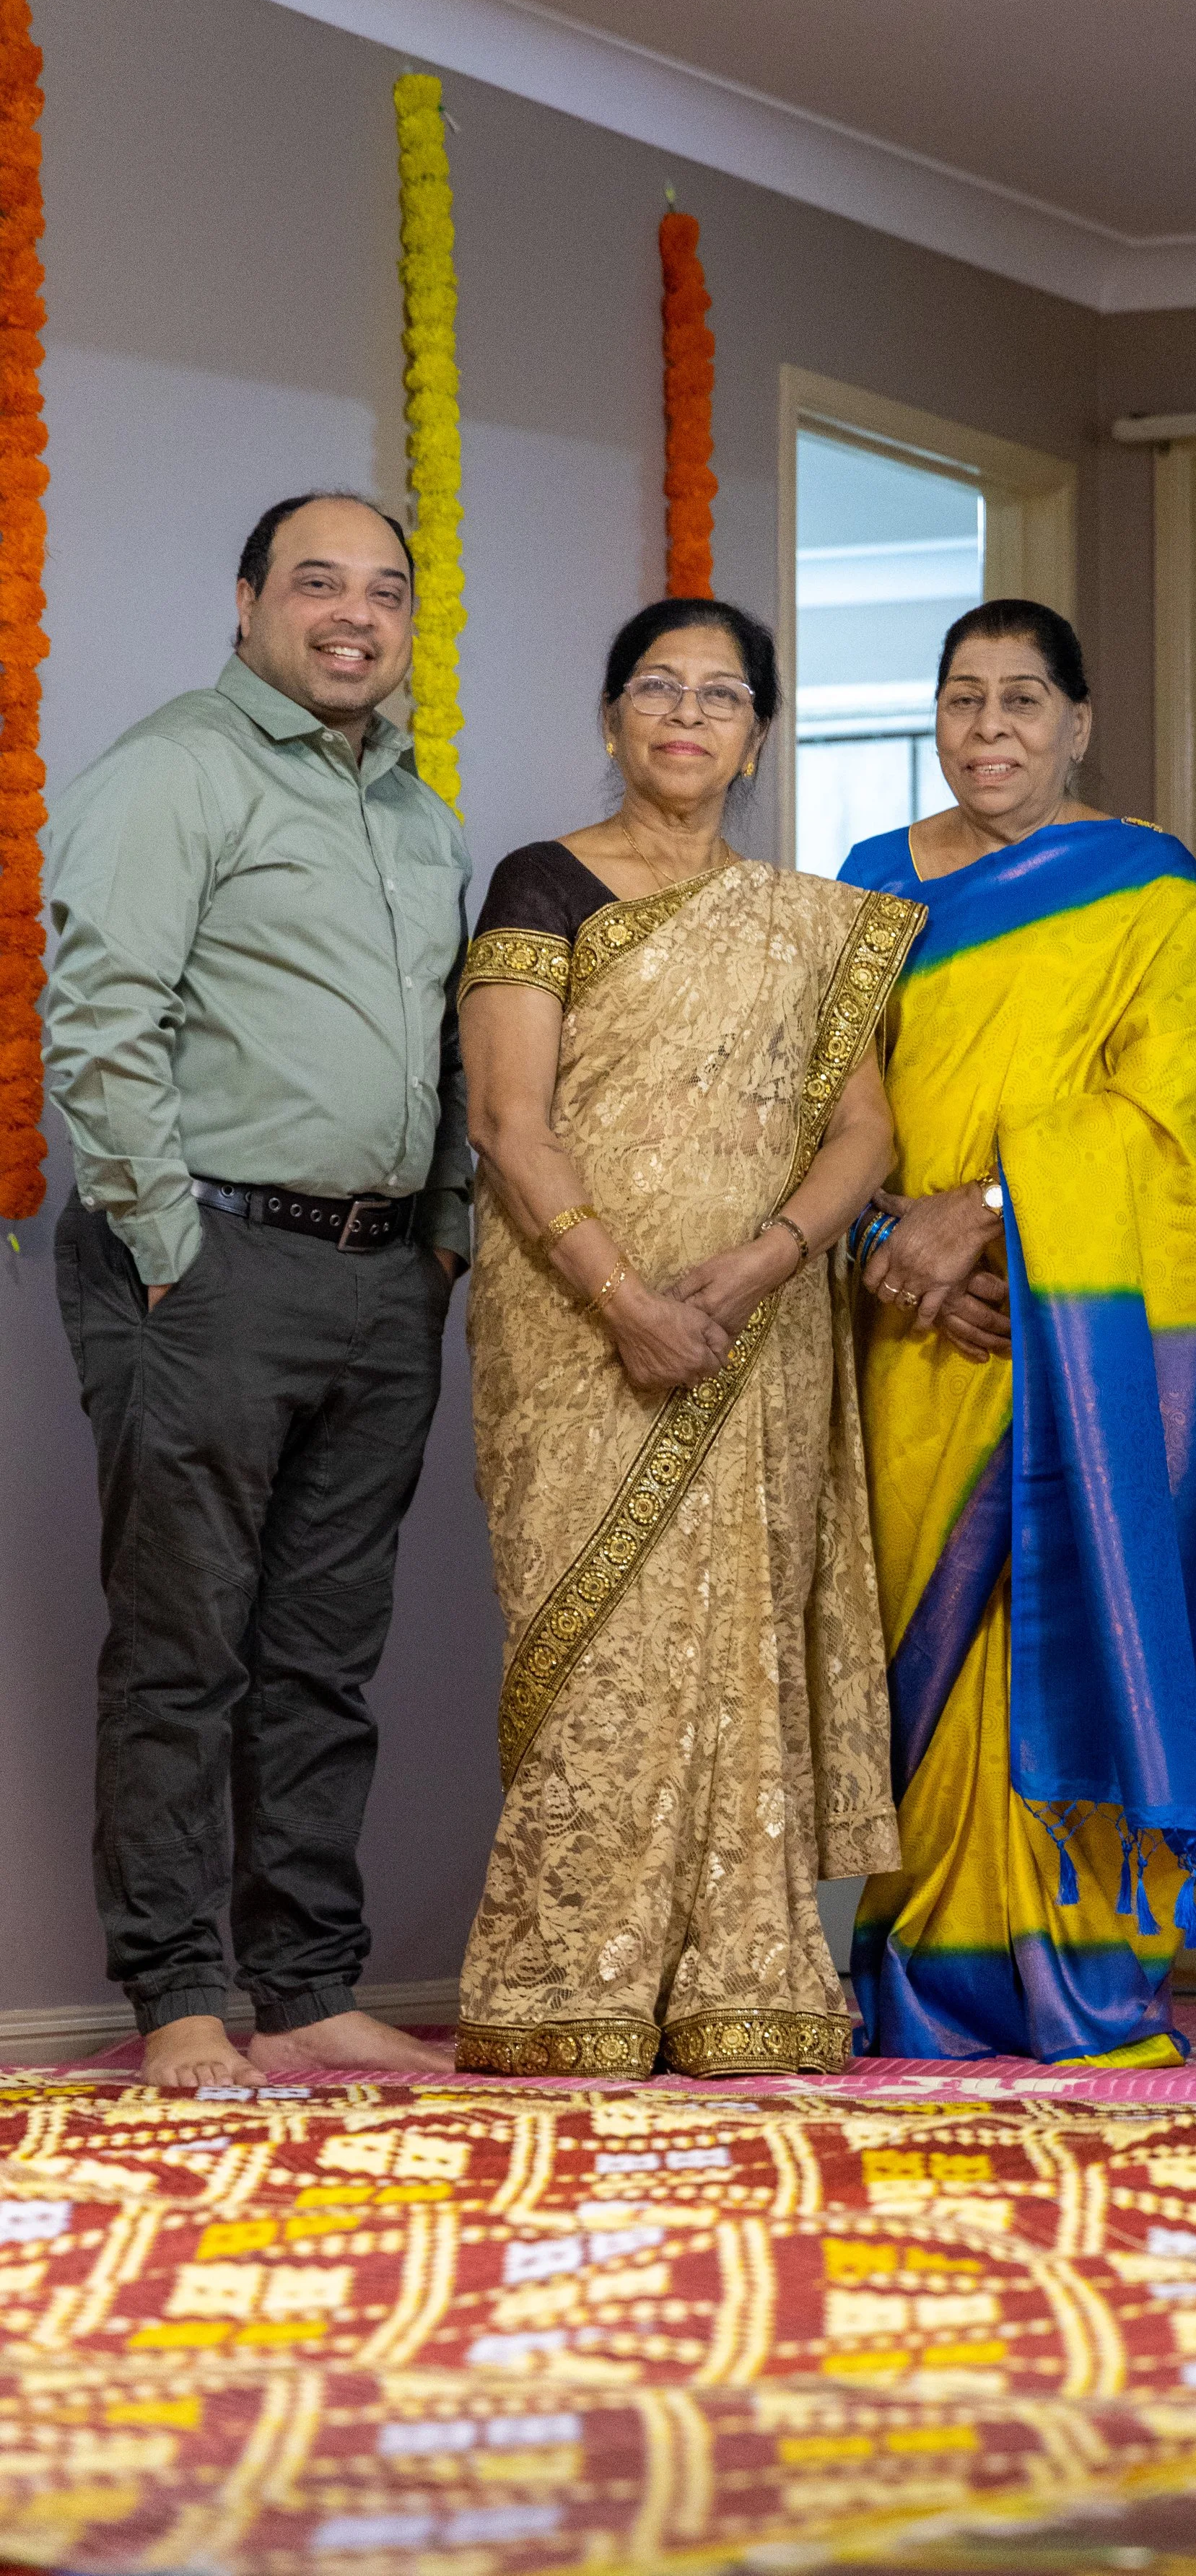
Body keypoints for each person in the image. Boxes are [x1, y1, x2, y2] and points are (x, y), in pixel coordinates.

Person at [454, 597, 920, 2080]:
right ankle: (563, 1985)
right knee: (596, 1643)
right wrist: (627, 1300)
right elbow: (506, 1122)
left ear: (757, 740)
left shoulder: (804, 927)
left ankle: (744, 1979)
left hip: (757, 1330)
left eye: (721, 697)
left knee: (742, 1643)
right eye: (655, 687)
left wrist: (763, 1262)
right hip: (578, 1325)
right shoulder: (543, 882)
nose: (685, 715)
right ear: (611, 718)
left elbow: (865, 1130)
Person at [45, 492, 471, 2093]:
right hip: (208, 1265)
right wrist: (173, 1252)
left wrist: (442, 1240)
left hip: (380, 1285)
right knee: (183, 1650)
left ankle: (301, 1988)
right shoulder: (174, 770)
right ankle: (179, 1998)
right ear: (245, 605)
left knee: (321, 1656)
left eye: (384, 590)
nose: (352, 613)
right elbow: (101, 1020)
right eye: (316, 583)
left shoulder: (420, 820)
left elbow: (441, 1052)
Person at [839, 599, 1196, 2067]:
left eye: (1022, 701)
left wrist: (983, 1206)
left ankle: (1080, 1980)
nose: (989, 731)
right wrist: (888, 1244)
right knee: (916, 1638)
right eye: (962, 700)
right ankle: (919, 1972)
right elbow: (817, 1112)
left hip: (1071, 1340)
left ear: (1077, 723)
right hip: (913, 1327)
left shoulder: (1144, 888)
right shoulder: (865, 886)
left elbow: (1175, 1125)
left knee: (1058, 1616)